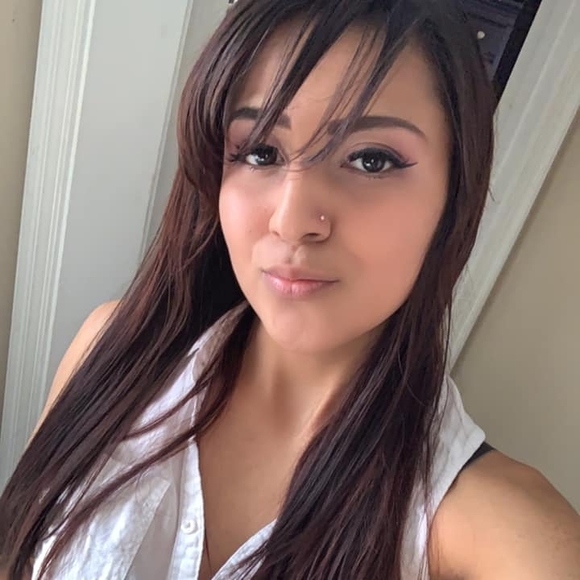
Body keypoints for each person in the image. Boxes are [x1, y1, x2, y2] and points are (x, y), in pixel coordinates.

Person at [1, 0, 579, 578]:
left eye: (371, 160)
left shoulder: (503, 533)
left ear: (454, 194)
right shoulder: (108, 350)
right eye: (260, 152)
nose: (293, 218)